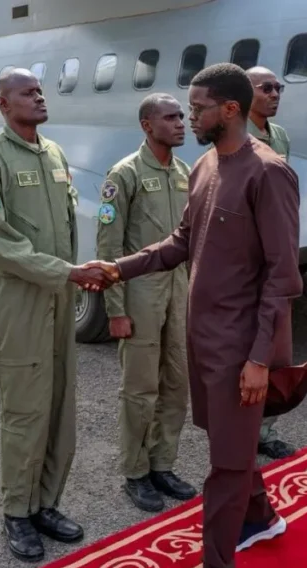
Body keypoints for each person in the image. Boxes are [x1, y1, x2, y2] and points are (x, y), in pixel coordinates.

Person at [93, 62, 300, 568]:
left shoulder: (268, 172)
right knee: (230, 441)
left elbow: (282, 277)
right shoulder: (206, 166)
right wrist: (117, 269)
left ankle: (216, 567)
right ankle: (261, 517)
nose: (191, 116)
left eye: (199, 107)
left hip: (240, 349)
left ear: (230, 110)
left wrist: (259, 360)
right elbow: (181, 243)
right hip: (203, 340)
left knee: (226, 465)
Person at [0, 67, 114, 563]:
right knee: (25, 410)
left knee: (59, 405)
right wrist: (65, 271)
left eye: (40, 89)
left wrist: (70, 276)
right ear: (3, 104)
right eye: (27, 92)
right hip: (21, 297)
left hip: (59, 295)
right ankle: (17, 512)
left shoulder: (54, 154)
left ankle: (47, 502)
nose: (39, 96)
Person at [95, 92, 198, 513]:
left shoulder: (185, 172)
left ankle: (162, 464)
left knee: (177, 383)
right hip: (139, 292)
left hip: (178, 289)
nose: (181, 123)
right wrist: (115, 310)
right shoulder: (123, 174)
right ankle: (135, 471)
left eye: (181, 116)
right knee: (140, 388)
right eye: (170, 117)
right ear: (147, 125)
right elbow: (108, 246)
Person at [245, 65, 297, 461]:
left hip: (275, 255)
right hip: (247, 258)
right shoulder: (234, 137)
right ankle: (241, 428)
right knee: (245, 346)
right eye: (267, 88)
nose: (275, 93)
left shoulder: (279, 138)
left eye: (278, 87)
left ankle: (266, 429)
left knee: (276, 350)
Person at [244, 66, 290, 161]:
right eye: (267, 88)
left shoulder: (280, 134)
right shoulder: (231, 137)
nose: (275, 95)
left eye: (277, 88)